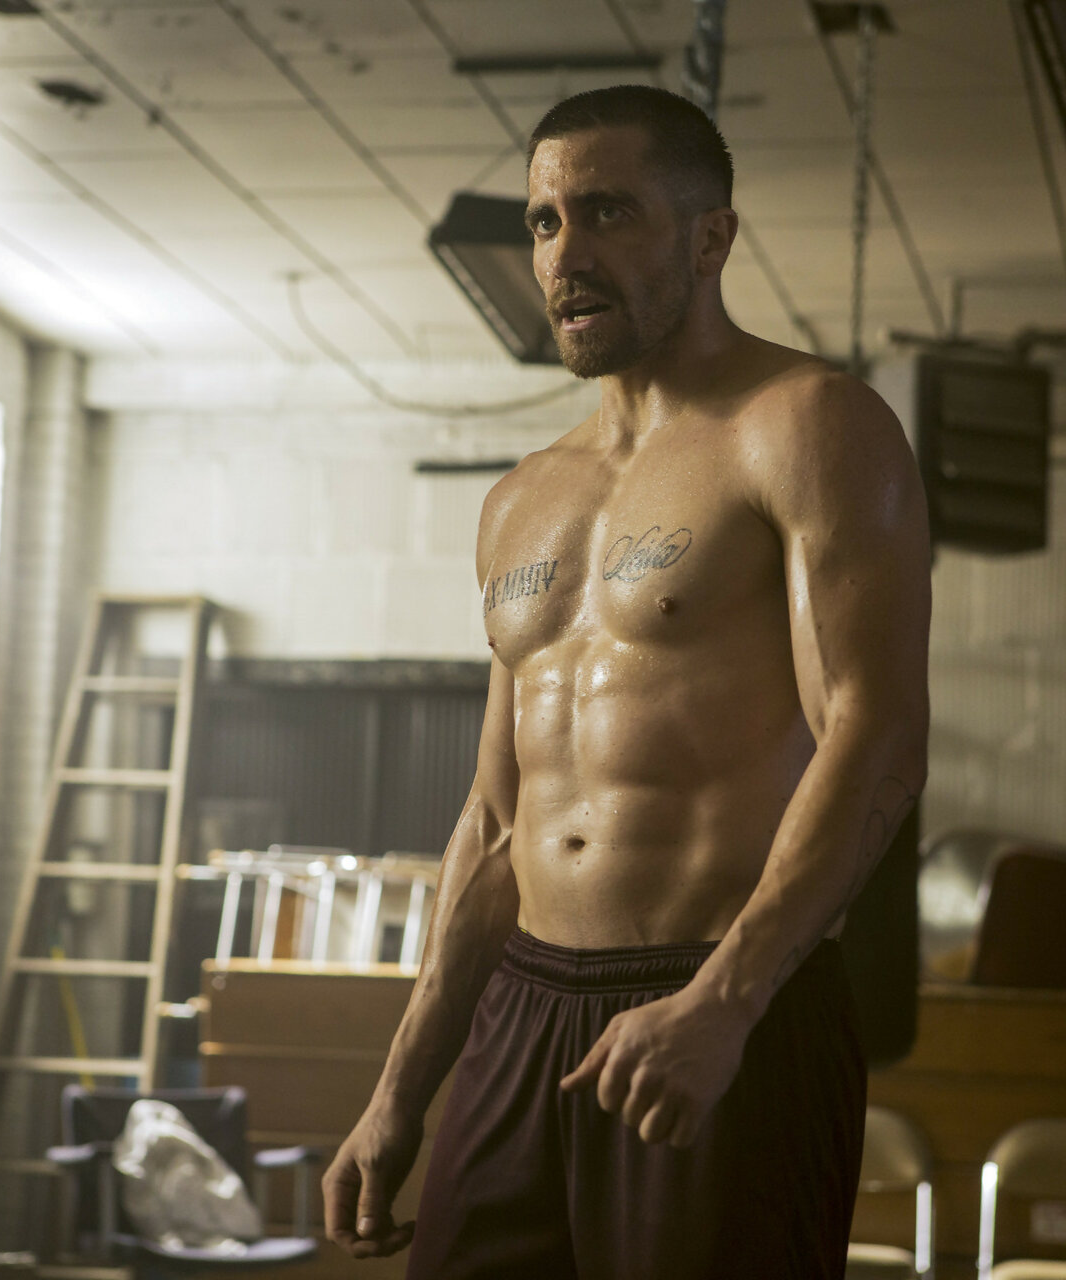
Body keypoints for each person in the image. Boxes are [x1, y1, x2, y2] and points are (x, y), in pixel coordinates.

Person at [322, 84, 932, 1279]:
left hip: (717, 998)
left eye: (606, 211)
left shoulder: (805, 424)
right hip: (522, 1010)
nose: (566, 253)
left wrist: (728, 1001)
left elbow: (876, 734)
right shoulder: (522, 497)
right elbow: (495, 822)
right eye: (545, 221)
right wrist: (399, 1090)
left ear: (711, 239)